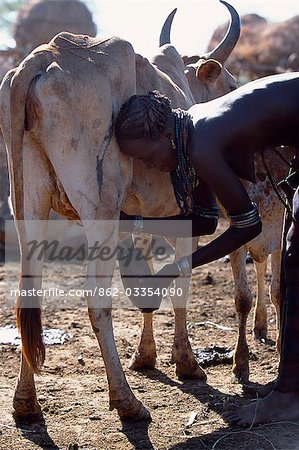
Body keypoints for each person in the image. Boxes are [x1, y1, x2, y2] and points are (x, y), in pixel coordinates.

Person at [115, 72, 299, 425]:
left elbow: (249, 223)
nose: (151, 166)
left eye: (148, 156)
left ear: (165, 136)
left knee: (297, 260)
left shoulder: (200, 144)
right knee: (292, 264)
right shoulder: (190, 130)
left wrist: (174, 269)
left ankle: (290, 396)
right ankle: (290, 385)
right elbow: (205, 221)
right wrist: (134, 222)